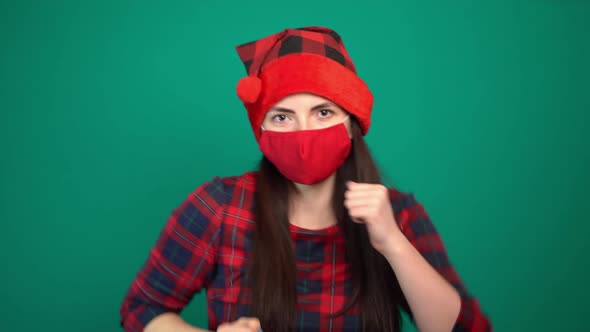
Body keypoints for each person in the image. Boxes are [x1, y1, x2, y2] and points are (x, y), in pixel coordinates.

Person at [119, 26, 491, 332]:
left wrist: (393, 242)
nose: (304, 132)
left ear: (351, 122)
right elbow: (144, 308)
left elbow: (466, 329)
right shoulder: (219, 206)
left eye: (323, 111)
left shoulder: (399, 214)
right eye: (282, 117)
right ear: (261, 128)